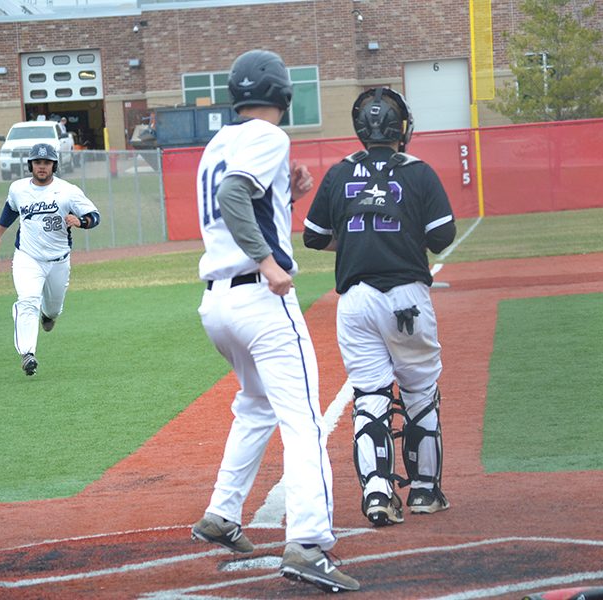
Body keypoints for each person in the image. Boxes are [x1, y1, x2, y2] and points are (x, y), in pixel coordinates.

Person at [190, 49, 360, 594]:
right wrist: (268, 262)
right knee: (303, 420)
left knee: (256, 406)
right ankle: (309, 542)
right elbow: (234, 195)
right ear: (283, 95)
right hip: (259, 297)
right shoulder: (268, 136)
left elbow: (235, 198)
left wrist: (288, 188)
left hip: (218, 303)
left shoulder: (219, 142)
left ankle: (222, 511)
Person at [303, 87, 456, 528]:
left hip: (355, 302)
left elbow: (313, 235)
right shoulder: (419, 172)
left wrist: (355, 241)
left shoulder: (339, 173)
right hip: (406, 297)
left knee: (370, 394)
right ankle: (425, 492)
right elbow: (441, 238)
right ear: (401, 128)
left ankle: (376, 494)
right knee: (420, 394)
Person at [0, 143, 100, 376]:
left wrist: (81, 222)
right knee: (27, 300)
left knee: (54, 308)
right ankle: (27, 354)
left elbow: (94, 216)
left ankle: (49, 315)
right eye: (37, 162)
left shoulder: (68, 191)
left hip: (58, 260)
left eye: (46, 162)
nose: (41, 166)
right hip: (27, 258)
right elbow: (10, 210)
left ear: (53, 165)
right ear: (30, 165)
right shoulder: (18, 189)